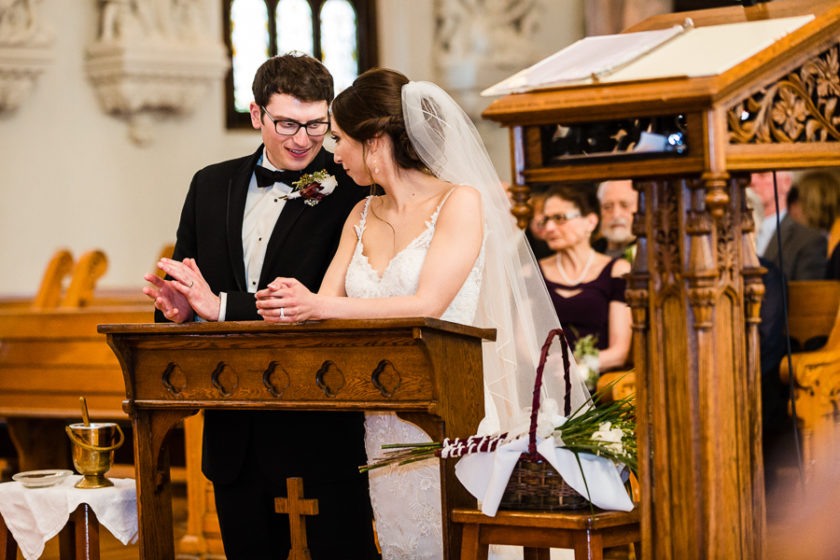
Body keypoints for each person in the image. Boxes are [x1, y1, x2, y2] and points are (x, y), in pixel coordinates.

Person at [255, 68, 591, 559]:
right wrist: (291, 302)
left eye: (340, 138)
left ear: (374, 141)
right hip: (383, 413)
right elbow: (325, 305)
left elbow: (430, 303)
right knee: (401, 540)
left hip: (452, 405)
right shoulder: (360, 213)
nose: (334, 151)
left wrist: (320, 303)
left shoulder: (460, 201)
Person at [142, 53, 377, 559]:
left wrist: (219, 305)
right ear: (256, 115)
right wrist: (178, 312)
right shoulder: (209, 184)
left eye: (317, 124)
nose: (302, 139)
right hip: (235, 424)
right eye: (287, 122)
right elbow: (190, 289)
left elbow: (326, 298)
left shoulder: (352, 192)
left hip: (321, 418)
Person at [537, 185, 632, 376]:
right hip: (544, 380)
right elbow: (523, 345)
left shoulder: (617, 270)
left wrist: (578, 368)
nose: (549, 228)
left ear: (590, 221)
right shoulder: (532, 271)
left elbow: (619, 352)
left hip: (601, 386)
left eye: (560, 218)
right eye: (546, 219)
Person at [750, 170, 826, 281]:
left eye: (763, 175)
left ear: (786, 183)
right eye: (749, 175)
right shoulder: (731, 233)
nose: (752, 181)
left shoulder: (808, 241)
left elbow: (805, 295)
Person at [592, 179, 638, 260]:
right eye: (607, 207)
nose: (616, 215)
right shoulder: (590, 254)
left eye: (624, 205)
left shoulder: (649, 253)